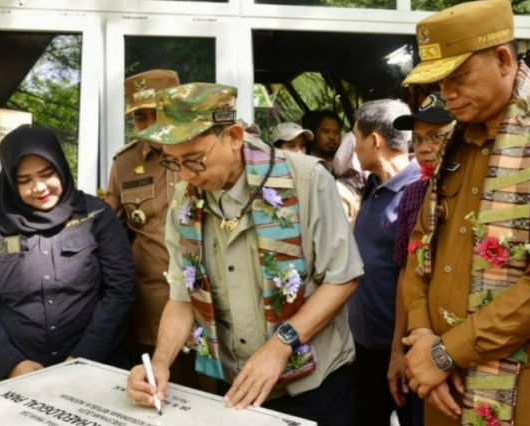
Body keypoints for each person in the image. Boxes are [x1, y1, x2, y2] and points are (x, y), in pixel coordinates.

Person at [126, 83, 363, 425]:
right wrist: (160, 362)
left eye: (194, 160)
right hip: (237, 389)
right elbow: (182, 297)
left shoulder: (307, 180)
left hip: (315, 389)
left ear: (234, 136)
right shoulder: (186, 200)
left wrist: (281, 345)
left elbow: (343, 279)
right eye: (174, 162)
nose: (186, 175)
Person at [400, 1, 530, 425]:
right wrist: (423, 337)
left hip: (523, 389)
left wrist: (446, 352)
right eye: (439, 81)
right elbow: (419, 250)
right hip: (439, 385)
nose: (446, 94)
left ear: (504, 59)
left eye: (457, 76)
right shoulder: (452, 141)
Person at [0, 124, 135, 382]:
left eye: (47, 174)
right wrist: (11, 364)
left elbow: (120, 290)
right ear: (10, 182)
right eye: (24, 180)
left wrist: (85, 356)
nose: (39, 187)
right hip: (18, 377)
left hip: (96, 367)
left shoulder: (96, 216)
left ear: (61, 167)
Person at [105, 70, 198, 384]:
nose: (149, 124)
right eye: (140, 117)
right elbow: (108, 230)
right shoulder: (125, 164)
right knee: (164, 394)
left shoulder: (205, 150)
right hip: (156, 308)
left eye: (156, 112)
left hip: (214, 302)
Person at [346, 98, 419, 426]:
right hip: (365, 343)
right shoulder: (371, 185)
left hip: (402, 349)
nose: (352, 147)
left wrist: (398, 352)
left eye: (355, 138)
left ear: (374, 140)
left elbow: (414, 277)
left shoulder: (418, 192)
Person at [388, 92, 455, 426]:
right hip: (420, 340)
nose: (425, 148)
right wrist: (398, 350)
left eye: (435, 137)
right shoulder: (413, 193)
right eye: (418, 140)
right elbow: (406, 272)